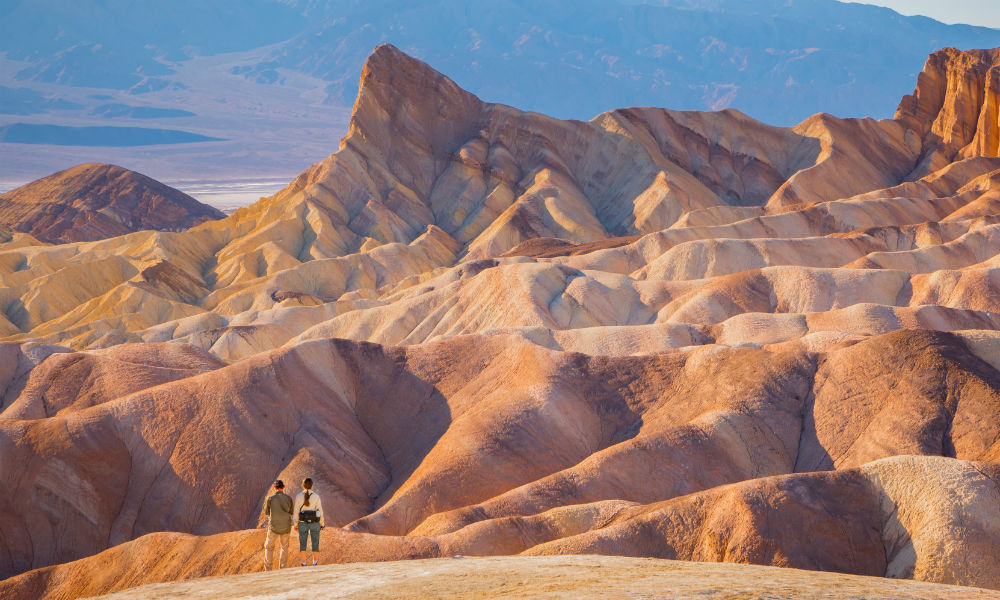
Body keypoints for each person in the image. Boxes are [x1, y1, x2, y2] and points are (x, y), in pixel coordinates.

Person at [260, 479, 294, 571]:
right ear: (283, 487)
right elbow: (291, 511)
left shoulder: (270, 498)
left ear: (274, 488)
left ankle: (268, 569)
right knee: (284, 547)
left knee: (269, 546)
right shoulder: (288, 498)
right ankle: (282, 569)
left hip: (273, 526)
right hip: (286, 526)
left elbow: (266, 512)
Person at [293, 477, 325, 566]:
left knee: (303, 542)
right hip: (315, 523)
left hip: (302, 523)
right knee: (315, 541)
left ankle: (304, 562)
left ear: (303, 485)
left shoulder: (299, 496)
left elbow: (295, 512)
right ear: (312, 485)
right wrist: (322, 523)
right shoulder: (316, 496)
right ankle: (315, 562)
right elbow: (320, 512)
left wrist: (295, 523)